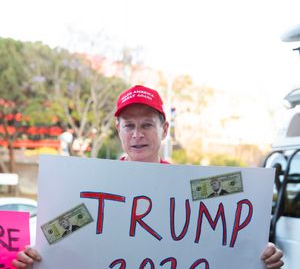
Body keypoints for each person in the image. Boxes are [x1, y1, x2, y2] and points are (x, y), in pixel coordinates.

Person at [12, 85, 284, 268]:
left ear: (164, 129)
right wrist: (35, 255)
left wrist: (260, 252)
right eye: (129, 125)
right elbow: (55, 235)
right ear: (118, 130)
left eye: (147, 125)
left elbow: (238, 201)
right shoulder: (95, 188)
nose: (137, 134)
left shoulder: (191, 188)